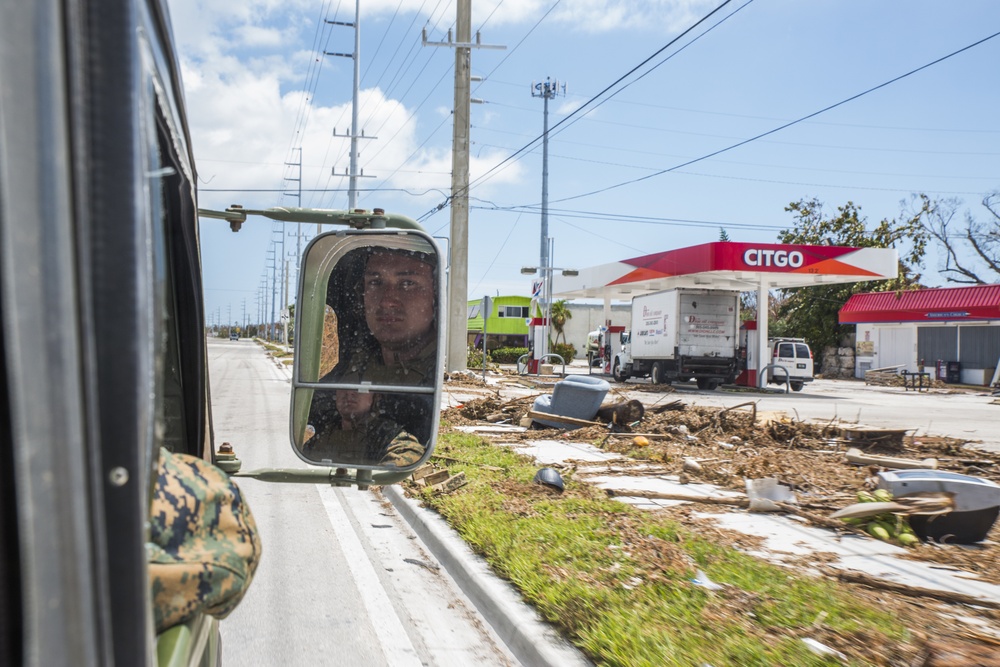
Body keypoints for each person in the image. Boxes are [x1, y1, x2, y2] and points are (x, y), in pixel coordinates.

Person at [304, 246, 439, 464]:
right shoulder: (353, 368)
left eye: (407, 283)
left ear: (436, 298)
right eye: (376, 283)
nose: (387, 301)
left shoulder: (441, 372)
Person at [302, 388, 425, 467]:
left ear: (376, 396)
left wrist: (379, 473)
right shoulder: (326, 429)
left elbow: (409, 452)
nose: (349, 392)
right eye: (343, 385)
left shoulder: (384, 432)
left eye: (360, 386)